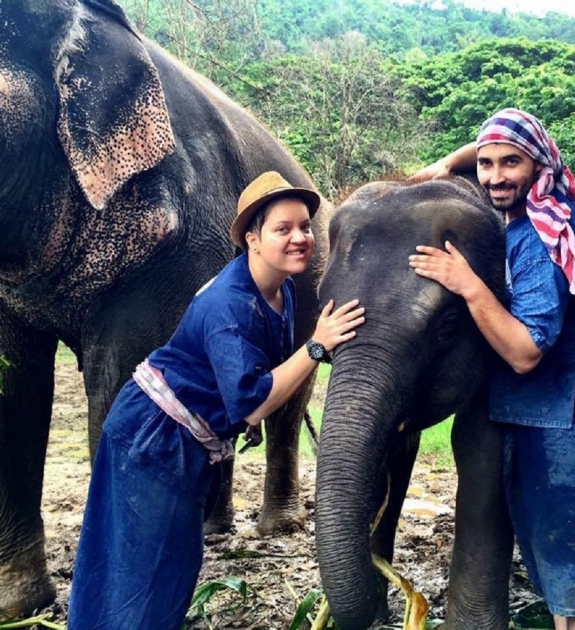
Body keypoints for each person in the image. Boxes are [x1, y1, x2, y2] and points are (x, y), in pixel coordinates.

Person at [67, 171, 365, 630]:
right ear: (253, 238)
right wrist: (316, 346)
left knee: (168, 569)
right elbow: (251, 401)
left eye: (304, 226)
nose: (300, 238)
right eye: (282, 229)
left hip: (180, 437)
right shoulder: (231, 303)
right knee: (140, 574)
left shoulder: (279, 288)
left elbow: (252, 373)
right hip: (154, 438)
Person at [408, 108, 575, 630]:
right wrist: (449, 161)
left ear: (538, 162)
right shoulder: (555, 200)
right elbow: (500, 147)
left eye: (510, 163)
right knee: (564, 562)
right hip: (567, 408)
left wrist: (466, 282)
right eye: (485, 163)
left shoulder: (540, 238)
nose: (493, 177)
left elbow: (525, 351)